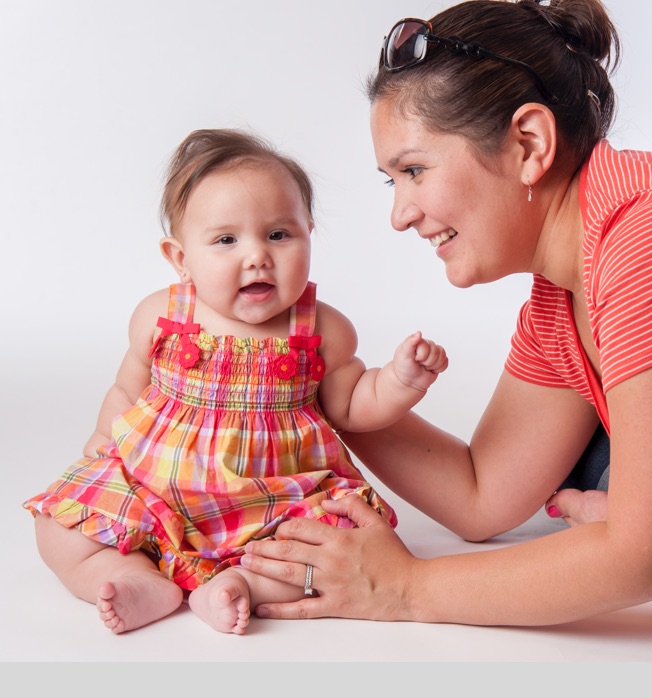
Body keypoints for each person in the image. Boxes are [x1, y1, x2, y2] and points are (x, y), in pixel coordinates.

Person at [239, 0, 652, 661]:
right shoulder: (562, 293)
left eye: (414, 170)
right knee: (598, 461)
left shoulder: (651, 239)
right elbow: (483, 493)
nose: (400, 214)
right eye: (392, 180)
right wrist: (333, 388)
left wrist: (404, 588)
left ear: (530, 144)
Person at [23, 128, 448, 635]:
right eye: (227, 240)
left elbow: (354, 406)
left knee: (332, 552)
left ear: (309, 232)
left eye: (278, 234)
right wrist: (101, 444)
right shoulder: (161, 316)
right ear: (181, 259)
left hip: (273, 502)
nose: (257, 256)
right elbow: (126, 389)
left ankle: (243, 585)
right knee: (60, 529)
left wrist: (402, 380)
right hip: (155, 487)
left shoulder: (322, 330)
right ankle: (131, 576)